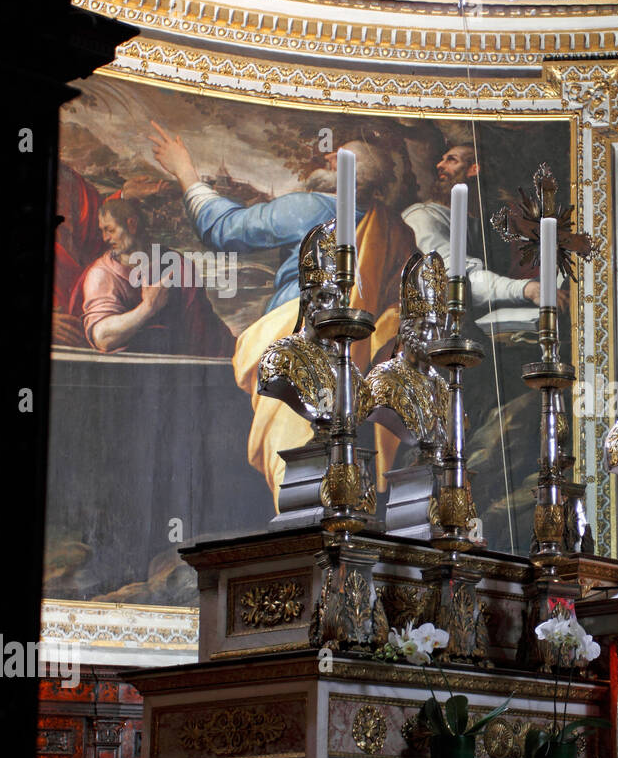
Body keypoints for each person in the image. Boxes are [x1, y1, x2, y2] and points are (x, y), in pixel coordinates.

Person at [147, 120, 414, 504]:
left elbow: (225, 229)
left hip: (300, 342)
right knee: (340, 456)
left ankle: (305, 537)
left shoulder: (312, 208)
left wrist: (185, 172)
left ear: (348, 175)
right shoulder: (397, 230)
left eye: (335, 158)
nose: (324, 157)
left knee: (292, 453)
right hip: (366, 361)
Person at [401, 142, 570, 312]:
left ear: (474, 169)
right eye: (442, 159)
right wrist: (527, 289)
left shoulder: (487, 220)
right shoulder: (422, 217)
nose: (439, 165)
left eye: (451, 160)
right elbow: (458, 278)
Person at [79, 198, 234, 357]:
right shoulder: (100, 274)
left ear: (131, 225)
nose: (105, 238)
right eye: (102, 231)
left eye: (110, 230)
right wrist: (147, 308)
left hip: (184, 362)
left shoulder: (175, 262)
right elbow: (102, 338)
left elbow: (202, 324)